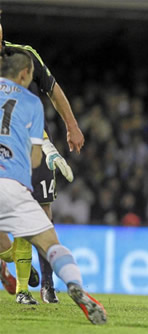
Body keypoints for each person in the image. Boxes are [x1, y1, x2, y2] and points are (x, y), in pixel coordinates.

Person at [0, 50, 106, 324]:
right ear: (24, 74)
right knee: (50, 244)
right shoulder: (31, 103)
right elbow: (36, 157)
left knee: (6, 242)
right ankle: (75, 286)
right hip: (13, 183)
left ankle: (15, 274)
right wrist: (47, 153)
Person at [0, 15, 81, 303]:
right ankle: (15, 267)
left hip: (35, 145)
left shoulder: (24, 55)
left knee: (42, 213)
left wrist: (71, 126)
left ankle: (45, 284)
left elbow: (53, 90)